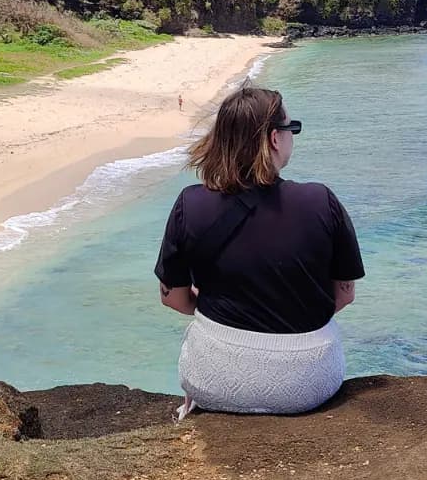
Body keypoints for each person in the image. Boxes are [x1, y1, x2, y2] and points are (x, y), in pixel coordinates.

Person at [154, 86, 364, 417]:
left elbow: (173, 299)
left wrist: (218, 310)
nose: (293, 136)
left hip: (215, 381)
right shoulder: (321, 201)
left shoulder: (189, 204)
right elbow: (345, 294)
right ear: (274, 139)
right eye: (291, 128)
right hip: (311, 384)